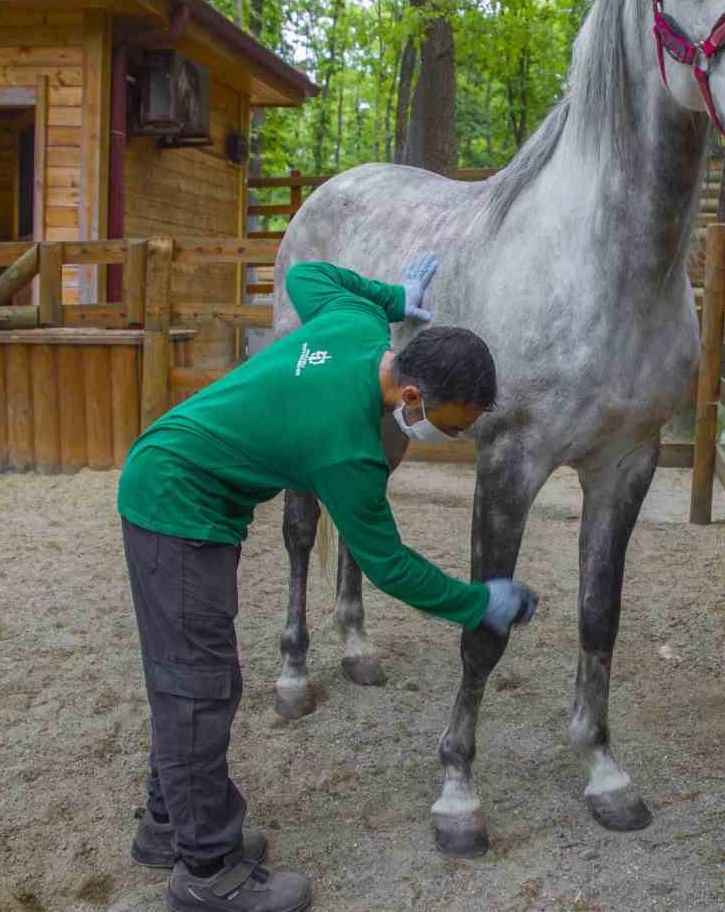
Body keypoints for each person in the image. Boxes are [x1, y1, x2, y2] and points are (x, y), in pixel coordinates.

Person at [116, 252, 540, 912]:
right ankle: (206, 871)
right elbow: (390, 564)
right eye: (448, 424)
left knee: (198, 677)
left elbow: (309, 274)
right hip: (175, 502)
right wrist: (477, 600)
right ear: (411, 397)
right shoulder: (347, 449)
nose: (445, 435)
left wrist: (392, 294)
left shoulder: (357, 324)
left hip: (187, 487)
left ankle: (169, 825)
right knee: (197, 685)